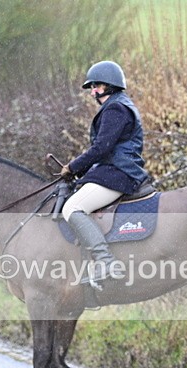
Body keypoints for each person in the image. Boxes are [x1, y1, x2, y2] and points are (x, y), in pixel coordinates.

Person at [60, 60, 150, 284]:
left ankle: (106, 262)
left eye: (96, 86)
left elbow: (102, 147)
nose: (93, 92)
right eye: (91, 87)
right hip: (114, 169)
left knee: (72, 208)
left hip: (119, 172)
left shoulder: (115, 108)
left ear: (110, 85)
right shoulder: (120, 105)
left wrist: (73, 167)